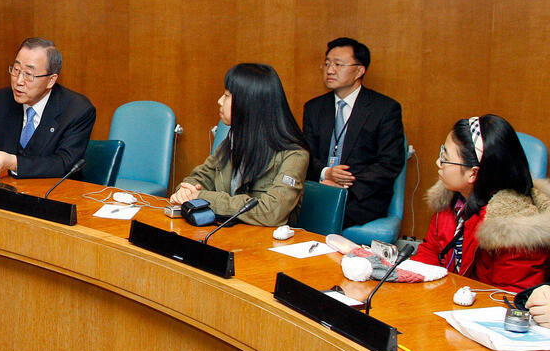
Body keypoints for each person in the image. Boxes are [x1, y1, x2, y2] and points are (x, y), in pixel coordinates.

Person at [411, 115, 550, 291]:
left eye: (445, 157)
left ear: (473, 173)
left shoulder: (516, 229)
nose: (438, 162)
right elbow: (430, 251)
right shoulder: (454, 197)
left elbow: (507, 297)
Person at [169, 63, 309, 227]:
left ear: (249, 103)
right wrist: (186, 192)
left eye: (227, 95)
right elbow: (200, 177)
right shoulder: (233, 140)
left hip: (263, 240)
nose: (220, 101)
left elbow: (271, 212)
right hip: (225, 233)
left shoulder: (294, 154)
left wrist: (202, 197)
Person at [302, 38, 406, 227]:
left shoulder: (385, 109)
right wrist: (326, 173)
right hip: (320, 188)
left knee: (319, 217)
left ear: (359, 71)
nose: (330, 70)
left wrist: (344, 186)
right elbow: (305, 154)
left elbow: (389, 163)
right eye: (327, 64)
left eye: (338, 64)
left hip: (361, 197)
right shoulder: (314, 108)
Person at [0, 37, 95, 179]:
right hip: (5, 187)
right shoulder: (2, 99)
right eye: (16, 70)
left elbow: (65, 164)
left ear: (51, 80)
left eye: (28, 74)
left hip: (54, 190)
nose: (19, 81)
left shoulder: (77, 110)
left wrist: (14, 163)